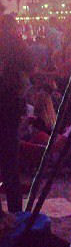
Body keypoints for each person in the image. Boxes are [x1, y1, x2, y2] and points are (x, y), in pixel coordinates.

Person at [0, 13, 33, 214]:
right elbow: (29, 66)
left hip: (7, 104)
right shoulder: (14, 43)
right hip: (9, 106)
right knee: (10, 164)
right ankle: (15, 213)